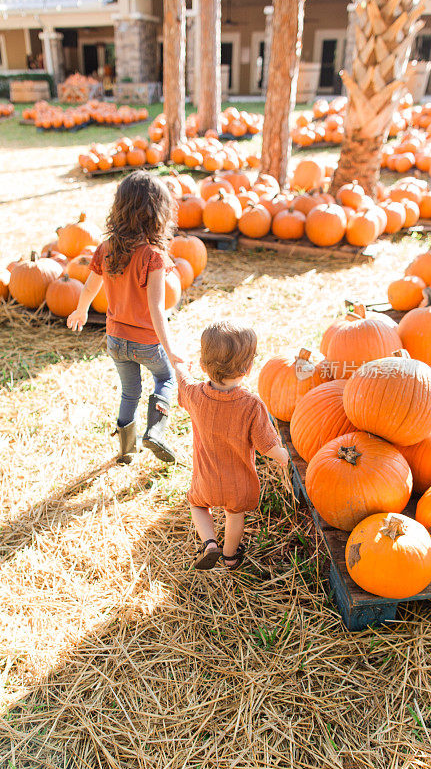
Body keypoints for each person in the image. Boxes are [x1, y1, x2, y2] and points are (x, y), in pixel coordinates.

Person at [67, 171, 183, 464]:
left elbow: (90, 285)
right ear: (157, 213)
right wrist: (171, 350)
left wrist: (81, 310)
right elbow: (157, 309)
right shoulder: (152, 256)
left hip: (115, 340)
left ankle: (125, 451)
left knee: (130, 391)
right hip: (145, 341)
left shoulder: (106, 249)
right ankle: (155, 432)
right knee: (166, 377)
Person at [175, 321, 289, 571]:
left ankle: (209, 543)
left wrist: (181, 367)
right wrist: (283, 455)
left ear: (204, 365)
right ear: (248, 368)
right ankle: (230, 557)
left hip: (206, 480)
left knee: (197, 505)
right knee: (234, 515)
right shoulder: (251, 405)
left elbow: (182, 381)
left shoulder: (194, 394)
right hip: (239, 484)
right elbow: (266, 445)